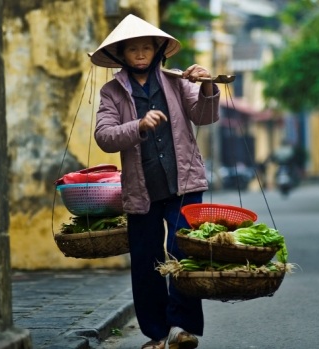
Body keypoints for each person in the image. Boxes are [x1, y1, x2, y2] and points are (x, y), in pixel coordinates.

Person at [91, 14, 220, 349]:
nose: (140, 53)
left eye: (146, 47)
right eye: (132, 48)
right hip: (141, 188)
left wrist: (206, 85)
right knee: (147, 260)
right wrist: (139, 125)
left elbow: (205, 115)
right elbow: (104, 136)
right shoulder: (112, 92)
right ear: (121, 54)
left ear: (158, 49)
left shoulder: (177, 82)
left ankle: (184, 328)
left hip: (184, 183)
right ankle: (157, 334)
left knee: (183, 252)